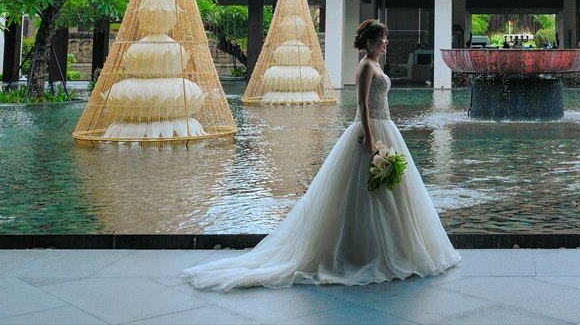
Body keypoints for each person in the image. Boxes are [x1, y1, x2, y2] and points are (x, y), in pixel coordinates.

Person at [183, 19, 460, 290]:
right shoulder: (365, 66)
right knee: (363, 192)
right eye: (382, 38)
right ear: (369, 42)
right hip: (369, 131)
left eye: (385, 38)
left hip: (386, 128)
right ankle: (360, 253)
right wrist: (370, 137)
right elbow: (362, 104)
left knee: (389, 192)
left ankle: (391, 249)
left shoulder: (376, 64)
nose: (386, 42)